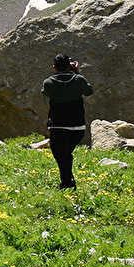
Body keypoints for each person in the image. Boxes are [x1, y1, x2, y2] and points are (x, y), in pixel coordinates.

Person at [42, 54, 94, 190]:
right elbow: (89, 91)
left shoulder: (48, 82)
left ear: (54, 67)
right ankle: (68, 182)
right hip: (77, 128)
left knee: (61, 154)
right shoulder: (78, 80)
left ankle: (67, 184)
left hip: (58, 127)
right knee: (66, 154)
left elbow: (46, 92)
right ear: (70, 66)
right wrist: (77, 73)